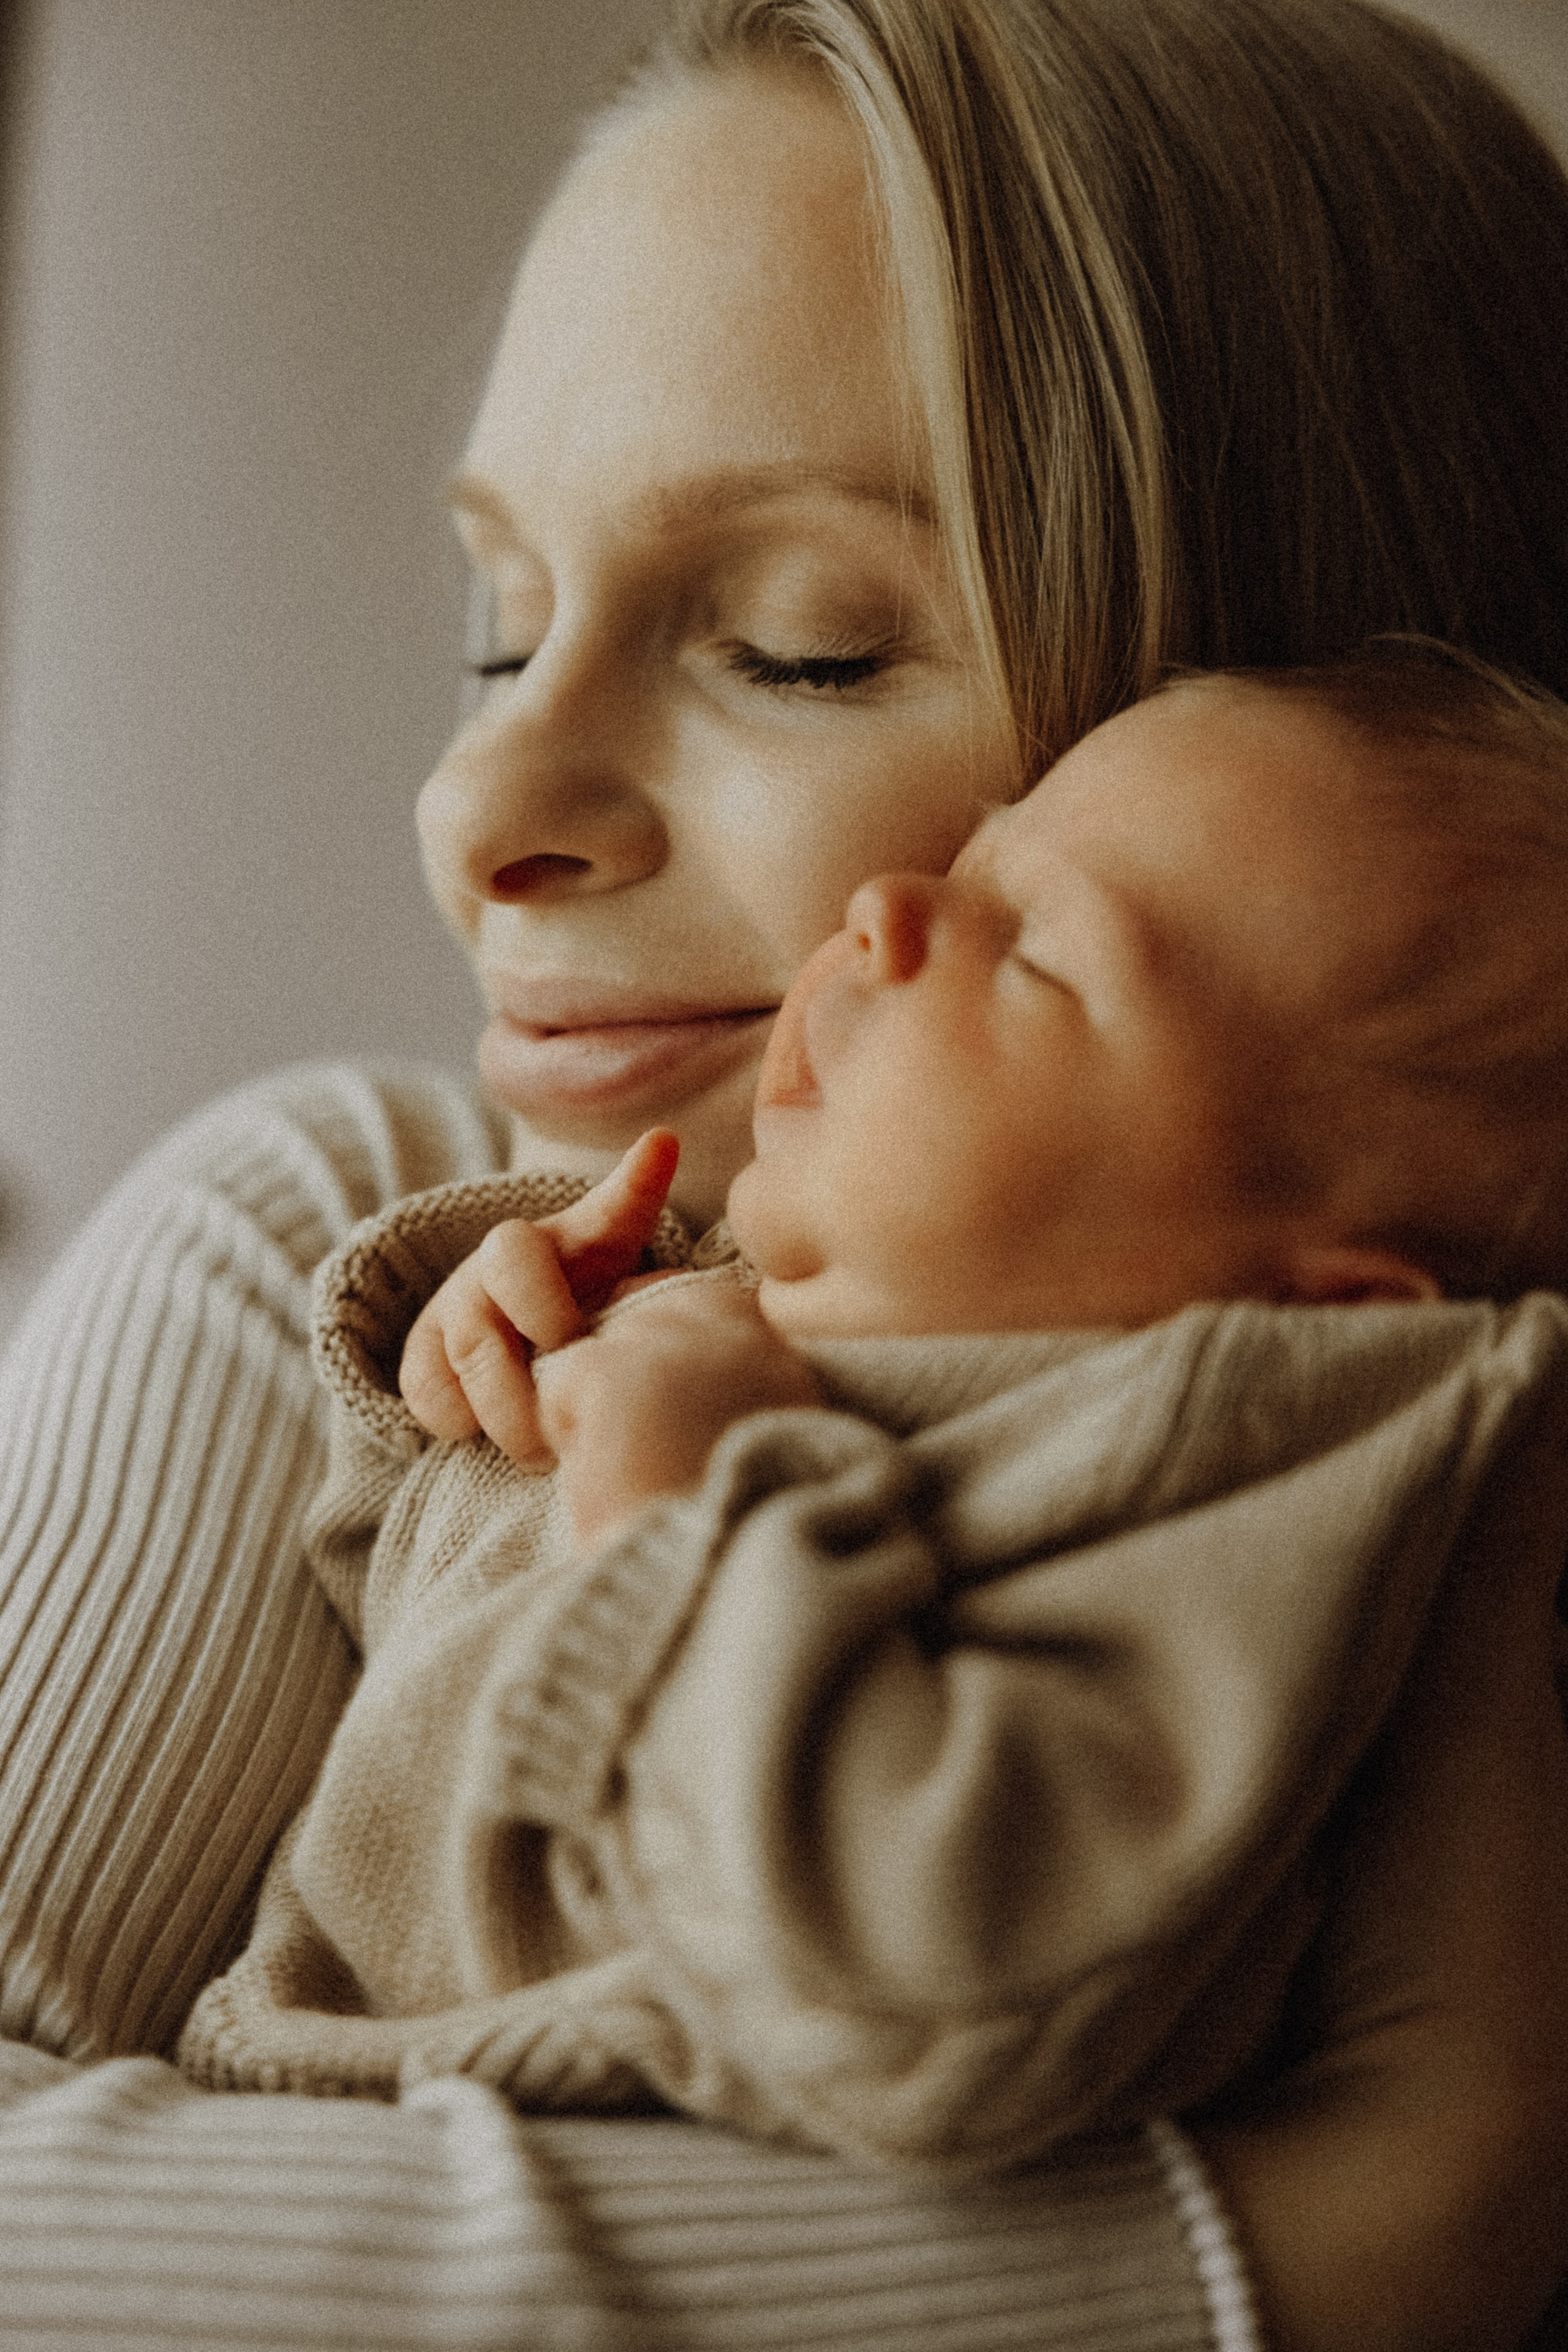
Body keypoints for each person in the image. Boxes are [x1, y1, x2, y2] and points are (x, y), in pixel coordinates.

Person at [3, 2, 1568, 2347]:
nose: (472, 807)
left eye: (796, 646)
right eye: (499, 626)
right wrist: (1278, 2263)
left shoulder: (1306, 1491)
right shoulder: (339, 1232)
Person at [175, 654, 1568, 2187]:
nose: (887, 906)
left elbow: (936, 1996)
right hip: (320, 2103)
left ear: (1320, 1316)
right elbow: (395, 1673)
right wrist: (474, 1395)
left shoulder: (1208, 1500)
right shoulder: (771, 1316)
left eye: (1036, 952)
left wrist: (680, 1484)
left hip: (507, 2175)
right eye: (970, 862)